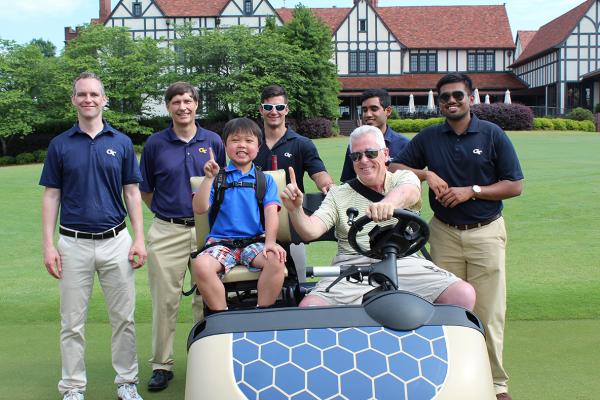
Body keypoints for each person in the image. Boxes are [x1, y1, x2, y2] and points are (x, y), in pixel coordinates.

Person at [390, 72, 524, 400]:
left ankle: (496, 387)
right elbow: (392, 167)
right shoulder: (429, 138)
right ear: (438, 102)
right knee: (447, 309)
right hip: (444, 233)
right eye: (445, 97)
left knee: (488, 313)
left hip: (485, 232)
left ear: (471, 98)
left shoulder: (492, 135)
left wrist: (472, 191)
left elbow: (515, 184)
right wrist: (425, 173)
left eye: (458, 96)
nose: (451, 101)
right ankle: (450, 381)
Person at [280, 125, 476, 311]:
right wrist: (296, 210)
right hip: (352, 265)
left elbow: (409, 192)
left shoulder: (402, 177)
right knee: (310, 307)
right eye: (356, 156)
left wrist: (388, 204)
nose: (363, 160)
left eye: (371, 153)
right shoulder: (338, 194)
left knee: (462, 294)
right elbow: (310, 231)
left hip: (404, 260)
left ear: (386, 154)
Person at [40, 72, 145, 400]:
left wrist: (139, 238)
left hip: (117, 241)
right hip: (72, 244)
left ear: (104, 99)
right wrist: (47, 245)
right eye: (82, 94)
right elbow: (51, 196)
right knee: (72, 323)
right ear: (74, 100)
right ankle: (73, 387)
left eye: (94, 94)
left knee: (124, 319)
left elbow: (132, 192)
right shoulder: (60, 145)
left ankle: (126, 383)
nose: (88, 99)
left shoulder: (122, 142)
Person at [139, 82, 225, 392]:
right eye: (176, 102)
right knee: (165, 300)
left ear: (197, 105)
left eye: (188, 101)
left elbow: (224, 185)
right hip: (167, 230)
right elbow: (146, 190)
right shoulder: (155, 144)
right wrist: (168, 213)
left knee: (208, 298)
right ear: (168, 107)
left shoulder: (213, 141)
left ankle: (206, 358)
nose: (182, 107)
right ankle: (162, 365)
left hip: (207, 230)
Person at [192, 117, 287, 313]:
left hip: (254, 242)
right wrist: (209, 179)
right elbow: (199, 208)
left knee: (276, 259)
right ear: (225, 145)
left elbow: (271, 213)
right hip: (221, 243)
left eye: (249, 141)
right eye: (235, 140)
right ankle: (222, 316)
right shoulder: (217, 178)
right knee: (201, 265)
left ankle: (263, 313)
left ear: (258, 147)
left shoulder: (264, 180)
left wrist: (270, 242)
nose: (242, 145)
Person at [254, 84, 335, 282]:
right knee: (257, 282)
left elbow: (319, 173)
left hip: (291, 222)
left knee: (298, 281)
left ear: (286, 110)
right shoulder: (250, 143)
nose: (274, 112)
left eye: (279, 107)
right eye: (269, 107)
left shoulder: (302, 143)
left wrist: (328, 185)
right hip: (255, 222)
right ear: (261, 109)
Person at [340, 88, 409, 182]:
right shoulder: (356, 145)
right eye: (364, 110)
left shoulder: (404, 145)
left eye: (374, 109)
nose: (368, 114)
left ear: (388, 111)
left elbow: (413, 181)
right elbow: (348, 181)